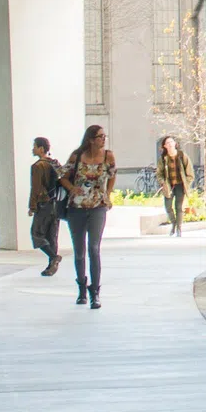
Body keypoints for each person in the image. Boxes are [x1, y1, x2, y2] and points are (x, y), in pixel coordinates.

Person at [66, 124, 117, 308]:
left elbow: (112, 175)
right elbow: (63, 175)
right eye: (100, 136)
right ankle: (81, 288)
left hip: (98, 206)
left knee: (94, 248)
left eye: (104, 136)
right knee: (79, 251)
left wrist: (108, 194)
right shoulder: (77, 156)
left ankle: (95, 291)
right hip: (77, 207)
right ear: (90, 139)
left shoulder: (108, 156)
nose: (103, 139)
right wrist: (72, 188)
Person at [27, 136, 67, 276]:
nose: (33, 149)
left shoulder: (38, 166)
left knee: (36, 233)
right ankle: (51, 265)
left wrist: (32, 206)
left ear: (41, 148)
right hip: (56, 203)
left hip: (44, 204)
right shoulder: (55, 163)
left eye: (35, 146)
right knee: (52, 235)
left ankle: (54, 257)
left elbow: (36, 188)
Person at [156, 134, 192, 237]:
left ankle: (179, 229)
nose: (170, 144)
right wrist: (162, 182)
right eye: (167, 143)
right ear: (164, 146)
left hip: (180, 185)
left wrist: (186, 183)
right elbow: (159, 174)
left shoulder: (182, 156)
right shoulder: (163, 159)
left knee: (179, 207)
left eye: (171, 142)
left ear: (175, 144)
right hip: (169, 185)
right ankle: (174, 223)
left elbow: (190, 173)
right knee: (168, 207)